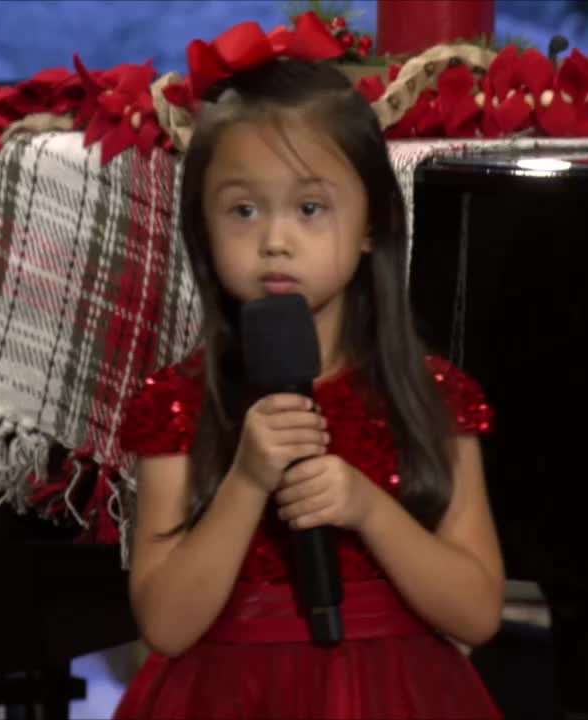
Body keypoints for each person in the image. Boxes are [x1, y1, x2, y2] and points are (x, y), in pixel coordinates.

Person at [113, 55, 505, 720]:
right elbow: (167, 625)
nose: (274, 240)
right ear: (204, 230)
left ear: (373, 224)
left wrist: (367, 508)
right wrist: (247, 479)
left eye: (310, 207)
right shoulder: (177, 403)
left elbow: (477, 613)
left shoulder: (432, 397)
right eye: (242, 209)